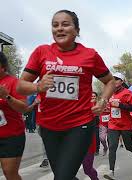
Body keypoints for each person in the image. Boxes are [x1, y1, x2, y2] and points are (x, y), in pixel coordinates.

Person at [16, 10, 115, 180]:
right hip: (49, 126)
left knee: (62, 177)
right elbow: (20, 86)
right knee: (63, 175)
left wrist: (103, 100)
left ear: (77, 30)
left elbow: (110, 81)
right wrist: (38, 86)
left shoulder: (89, 55)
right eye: (55, 25)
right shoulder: (41, 52)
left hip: (80, 124)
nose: (59, 29)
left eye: (65, 24)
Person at [104, 72, 132, 180]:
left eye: (117, 79)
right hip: (113, 125)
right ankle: (111, 171)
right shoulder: (110, 93)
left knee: (128, 146)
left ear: (121, 81)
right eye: (113, 79)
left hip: (125, 125)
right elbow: (107, 105)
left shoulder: (127, 93)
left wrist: (120, 105)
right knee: (112, 147)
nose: (114, 81)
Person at [0, 52, 29, 180]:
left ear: (3, 66)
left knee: (9, 173)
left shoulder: (14, 82)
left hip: (11, 136)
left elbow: (24, 108)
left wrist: (6, 96)